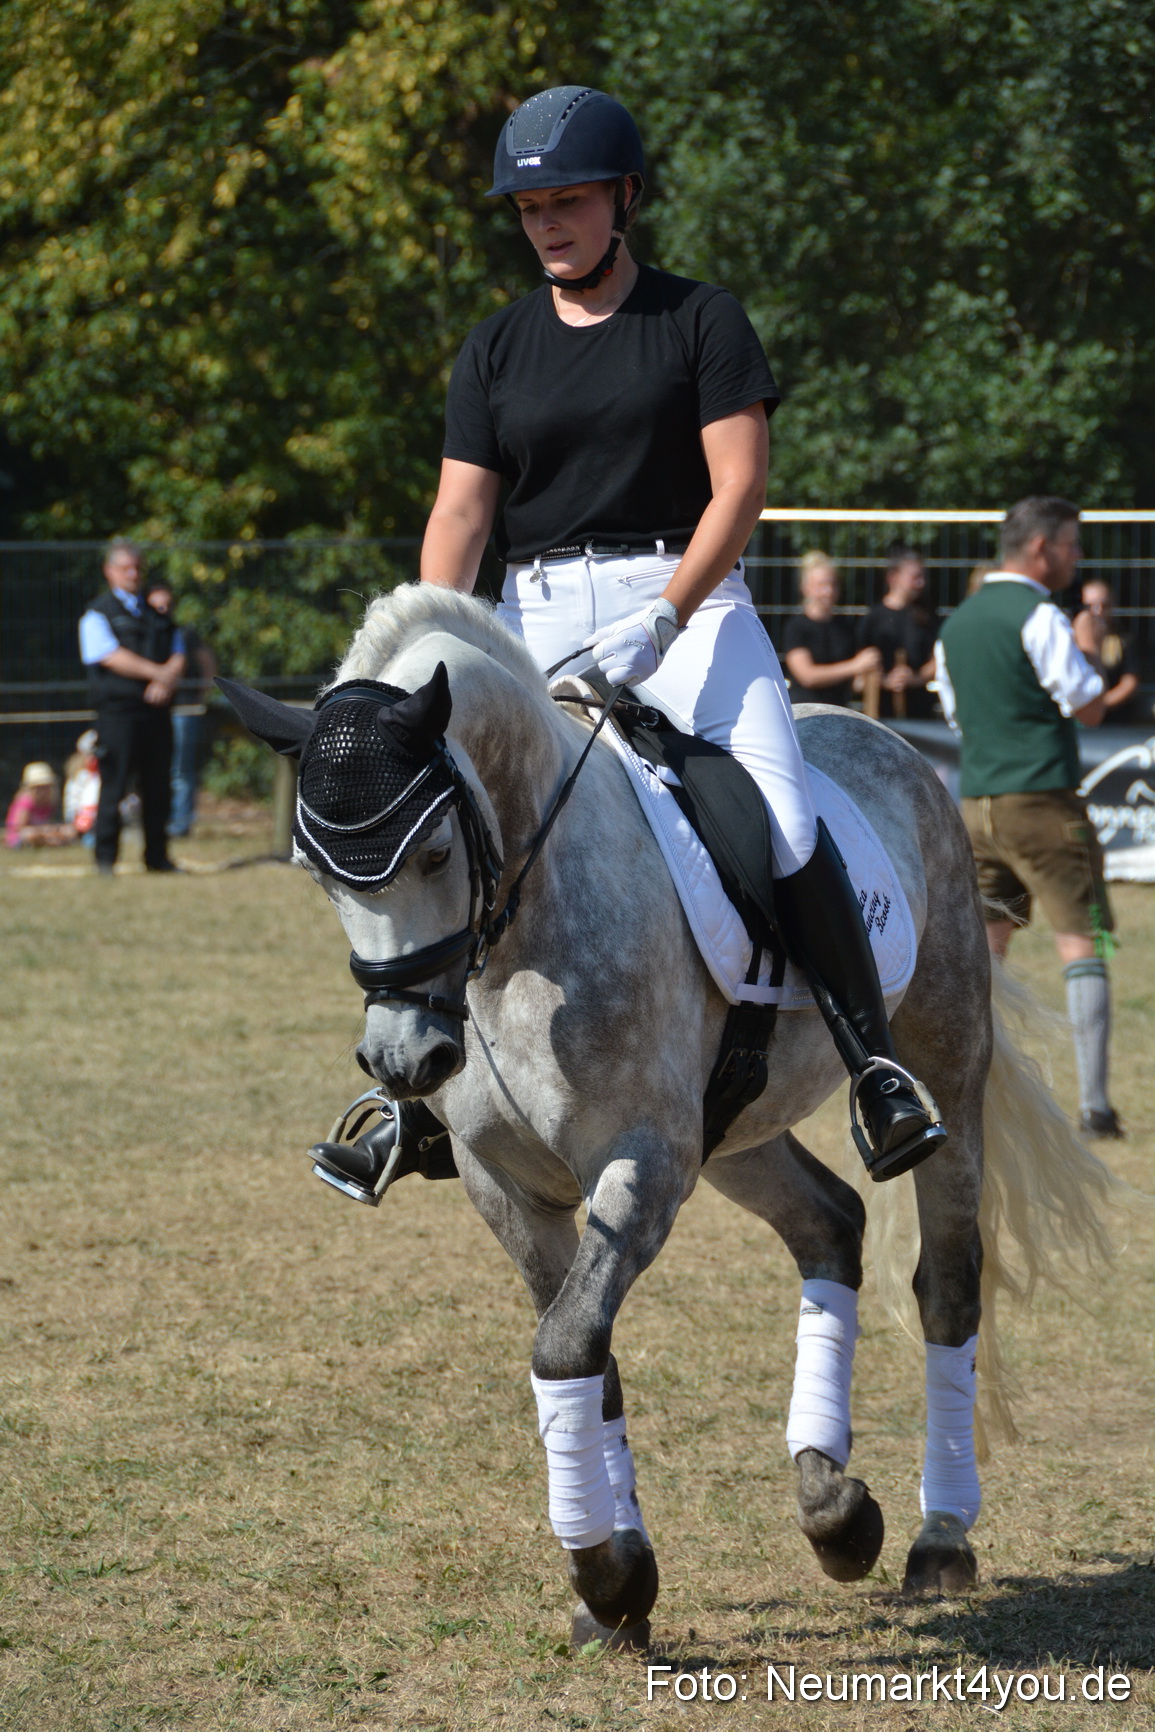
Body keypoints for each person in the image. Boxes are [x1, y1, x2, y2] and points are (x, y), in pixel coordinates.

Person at [415, 84, 945, 1180]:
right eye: (528, 208)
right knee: (444, 818)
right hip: (536, 620)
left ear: (625, 197)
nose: (547, 222)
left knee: (783, 816)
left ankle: (875, 1067)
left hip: (690, 603)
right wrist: (439, 636)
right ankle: (414, 1092)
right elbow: (464, 512)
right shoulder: (495, 350)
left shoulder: (700, 319)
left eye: (568, 200)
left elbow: (739, 487)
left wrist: (666, 616)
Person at [935, 497, 1122, 1139]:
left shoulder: (956, 624)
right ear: (1041, 549)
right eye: (1072, 544)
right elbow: (1088, 706)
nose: (1077, 557)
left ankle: (974, 1092)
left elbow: (959, 717)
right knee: (1082, 938)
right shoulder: (1041, 614)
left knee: (988, 953)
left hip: (977, 802)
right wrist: (1092, 651)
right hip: (1041, 800)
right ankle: (1096, 1105)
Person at [78, 539, 185, 874]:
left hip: (156, 714)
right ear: (109, 571)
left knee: (158, 786)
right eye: (125, 567)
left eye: (137, 567)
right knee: (114, 784)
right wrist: (160, 674)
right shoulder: (97, 613)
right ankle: (105, 860)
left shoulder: (158, 615)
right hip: (118, 713)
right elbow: (107, 655)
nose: (133, 574)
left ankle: (158, 858)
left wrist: (166, 679)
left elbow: (178, 648)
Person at [146, 582, 216, 836]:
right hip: (151, 711)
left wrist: (202, 695)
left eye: (167, 605)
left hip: (183, 710)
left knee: (180, 770)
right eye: (156, 606)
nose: (162, 611)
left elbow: (207, 662)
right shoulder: (142, 632)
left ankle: (179, 824)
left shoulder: (184, 633)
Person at [782, 550, 881, 706]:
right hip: (806, 710)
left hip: (839, 712)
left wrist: (869, 672)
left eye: (833, 584)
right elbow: (808, 676)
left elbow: (853, 683)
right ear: (806, 588)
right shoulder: (796, 627)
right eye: (822, 585)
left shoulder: (845, 627)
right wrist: (856, 665)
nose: (829, 591)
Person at [859, 544, 939, 719]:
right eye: (915, 577)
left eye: (922, 577)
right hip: (881, 713)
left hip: (919, 711)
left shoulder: (926, 616)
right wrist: (885, 680)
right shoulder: (874, 618)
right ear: (893, 578)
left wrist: (915, 678)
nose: (921, 583)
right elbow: (861, 665)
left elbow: (938, 658)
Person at [1072, 580, 1143, 723]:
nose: (1097, 611)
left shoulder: (1122, 641)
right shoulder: (1067, 640)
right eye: (1089, 606)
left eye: (1104, 605)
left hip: (1113, 721)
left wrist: (1100, 706)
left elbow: (1129, 683)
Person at [5, 763, 72, 848]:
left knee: (68, 830)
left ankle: (52, 842)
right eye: (39, 788)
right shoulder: (25, 803)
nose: (43, 791)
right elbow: (18, 827)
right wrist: (43, 830)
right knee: (30, 834)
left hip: (42, 833)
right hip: (21, 836)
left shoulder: (48, 803)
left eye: (46, 787)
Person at [63, 730, 101, 845]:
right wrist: (72, 815)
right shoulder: (79, 776)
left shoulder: (103, 775)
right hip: (84, 815)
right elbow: (72, 797)